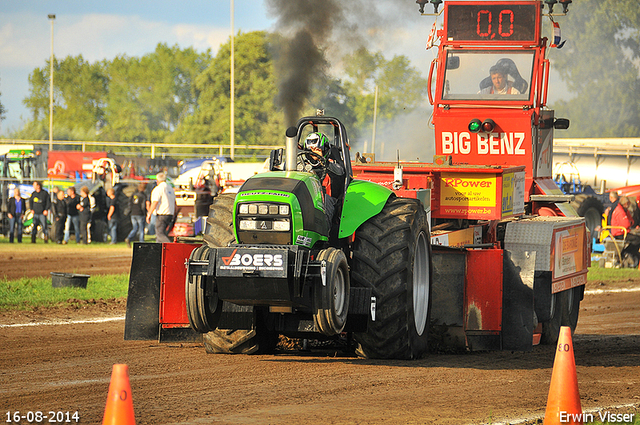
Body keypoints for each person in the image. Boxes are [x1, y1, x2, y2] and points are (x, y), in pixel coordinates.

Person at [302, 132, 345, 228]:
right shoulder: (302, 164)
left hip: (327, 198)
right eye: (310, 150)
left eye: (317, 149)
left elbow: (340, 172)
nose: (313, 153)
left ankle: (324, 235)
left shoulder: (332, 163)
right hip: (306, 197)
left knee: (324, 201)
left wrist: (322, 159)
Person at [610, 196, 640, 264]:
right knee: (637, 239)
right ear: (625, 203)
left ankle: (631, 253)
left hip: (623, 231)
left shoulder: (624, 210)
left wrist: (630, 222)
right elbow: (626, 224)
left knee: (636, 238)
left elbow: (631, 221)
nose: (629, 205)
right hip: (619, 233)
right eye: (628, 203)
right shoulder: (620, 211)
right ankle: (627, 252)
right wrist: (629, 222)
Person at [147, 172, 176, 243]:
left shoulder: (158, 189)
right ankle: (159, 251)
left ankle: (171, 246)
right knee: (161, 234)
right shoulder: (170, 189)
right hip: (170, 214)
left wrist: (149, 214)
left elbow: (155, 202)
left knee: (159, 233)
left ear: (157, 180)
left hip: (162, 214)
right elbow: (175, 204)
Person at [126, 182, 149, 247]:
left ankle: (128, 238)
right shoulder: (143, 196)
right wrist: (145, 213)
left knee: (135, 228)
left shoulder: (133, 195)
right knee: (141, 229)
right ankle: (142, 242)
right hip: (140, 214)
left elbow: (130, 204)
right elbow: (143, 206)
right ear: (144, 189)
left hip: (133, 214)